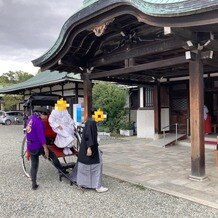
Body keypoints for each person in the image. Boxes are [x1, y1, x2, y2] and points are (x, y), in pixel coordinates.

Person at [26, 107, 67, 190]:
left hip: (30, 145)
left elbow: (26, 131)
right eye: (46, 116)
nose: (46, 118)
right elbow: (41, 137)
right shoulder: (39, 123)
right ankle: (61, 170)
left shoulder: (30, 119)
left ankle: (34, 184)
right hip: (38, 145)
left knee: (34, 164)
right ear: (41, 114)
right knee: (52, 155)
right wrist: (45, 148)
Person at [70, 118, 108, 193]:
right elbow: (89, 136)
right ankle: (97, 186)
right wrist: (89, 147)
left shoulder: (89, 122)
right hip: (90, 148)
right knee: (97, 166)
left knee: (84, 167)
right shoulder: (91, 123)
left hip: (86, 148)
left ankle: (83, 183)